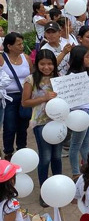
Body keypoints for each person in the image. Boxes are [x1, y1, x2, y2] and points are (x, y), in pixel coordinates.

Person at [22, 50, 61, 192]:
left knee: (57, 156)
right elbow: (25, 102)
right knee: (45, 157)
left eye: (50, 64)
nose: (46, 67)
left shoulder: (59, 78)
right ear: (36, 64)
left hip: (58, 123)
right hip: (40, 123)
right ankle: (45, 190)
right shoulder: (30, 80)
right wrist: (44, 98)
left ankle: (59, 187)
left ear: (54, 65)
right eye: (42, 64)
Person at [66, 46, 89, 180]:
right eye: (87, 57)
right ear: (79, 59)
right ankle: (76, 172)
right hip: (79, 113)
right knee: (76, 144)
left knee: (86, 143)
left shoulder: (86, 73)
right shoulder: (71, 77)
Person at [1, 33, 32, 159]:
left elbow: (31, 74)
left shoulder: (26, 58)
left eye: (22, 43)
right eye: (18, 44)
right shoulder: (2, 59)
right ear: (9, 46)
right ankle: (8, 152)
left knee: (23, 124)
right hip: (8, 97)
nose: (22, 46)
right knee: (9, 125)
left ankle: (22, 150)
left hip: (24, 96)